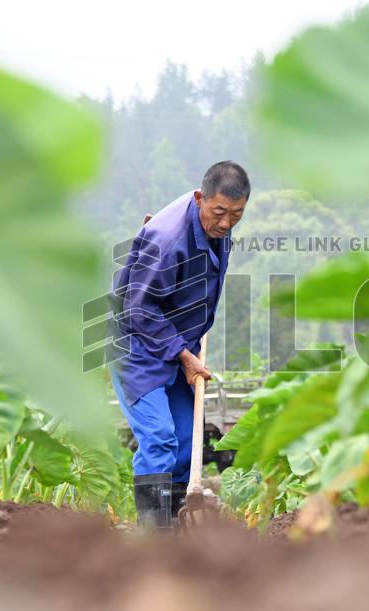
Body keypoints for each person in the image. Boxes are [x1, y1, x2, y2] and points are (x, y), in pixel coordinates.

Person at [107, 161, 250, 531]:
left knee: (187, 440)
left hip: (175, 341)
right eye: (219, 212)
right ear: (201, 198)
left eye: (236, 215)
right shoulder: (168, 238)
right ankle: (155, 538)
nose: (225, 223)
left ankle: (173, 524)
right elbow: (138, 308)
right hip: (135, 345)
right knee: (159, 439)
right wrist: (184, 356)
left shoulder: (214, 225)